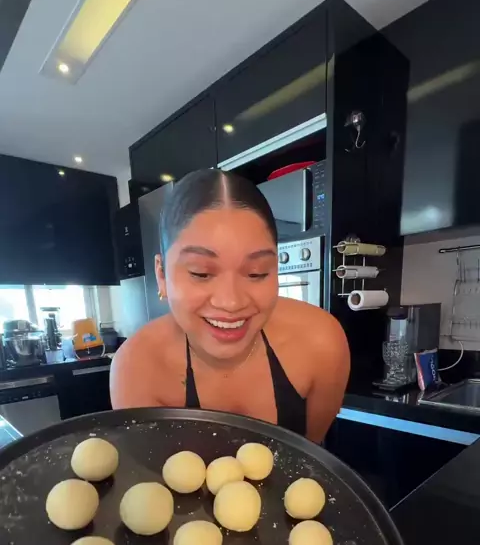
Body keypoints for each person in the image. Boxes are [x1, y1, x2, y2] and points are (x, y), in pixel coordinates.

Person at [110, 169, 350, 442]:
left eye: (257, 273)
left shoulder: (321, 343)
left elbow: (310, 454)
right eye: (201, 273)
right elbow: (151, 467)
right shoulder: (136, 368)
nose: (231, 302)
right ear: (161, 275)